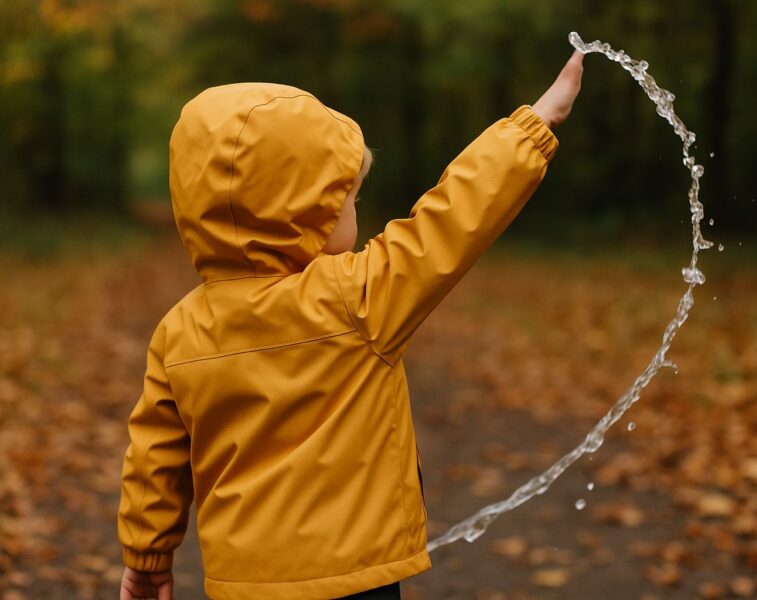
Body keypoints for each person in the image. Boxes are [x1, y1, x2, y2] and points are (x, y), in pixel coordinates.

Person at [117, 49, 584, 600]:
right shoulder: (356, 297)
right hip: (354, 581)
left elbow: (154, 458)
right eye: (348, 200)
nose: (356, 213)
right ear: (305, 214)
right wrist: (535, 125)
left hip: (242, 583)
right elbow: (453, 217)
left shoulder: (177, 333)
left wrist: (147, 558)